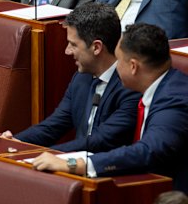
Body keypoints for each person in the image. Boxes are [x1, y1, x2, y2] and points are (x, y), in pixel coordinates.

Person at [32, 23, 188, 194]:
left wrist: (76, 164)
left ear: (133, 66)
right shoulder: (163, 87)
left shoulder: (174, 100)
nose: (115, 67)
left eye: (118, 60)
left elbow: (148, 150)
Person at [1, 2, 141, 152]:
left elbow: (102, 140)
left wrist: (50, 155)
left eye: (73, 45)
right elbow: (54, 125)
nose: (67, 51)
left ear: (96, 47)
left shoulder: (130, 87)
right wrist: (16, 142)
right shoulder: (81, 79)